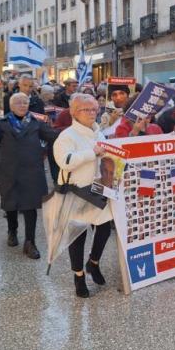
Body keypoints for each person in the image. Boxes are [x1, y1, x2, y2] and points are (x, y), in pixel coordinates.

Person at [0, 92, 59, 259]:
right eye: (18, 103)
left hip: (32, 172)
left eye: (25, 102)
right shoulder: (3, 124)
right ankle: (12, 231)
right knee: (11, 205)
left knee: (30, 207)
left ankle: (30, 242)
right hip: (10, 172)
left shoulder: (36, 123)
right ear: (11, 106)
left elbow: (54, 136)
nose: (23, 105)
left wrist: (72, 130)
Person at [53, 93, 113, 298]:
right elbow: (66, 161)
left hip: (98, 188)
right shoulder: (67, 136)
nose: (91, 113)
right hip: (77, 190)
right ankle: (78, 276)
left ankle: (93, 262)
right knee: (78, 235)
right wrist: (93, 153)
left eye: (94, 109)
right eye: (86, 110)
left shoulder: (99, 132)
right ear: (73, 112)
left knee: (105, 227)